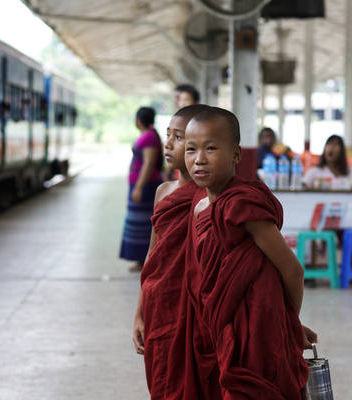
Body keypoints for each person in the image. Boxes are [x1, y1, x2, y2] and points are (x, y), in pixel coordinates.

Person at [181, 107, 314, 398]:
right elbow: (200, 277)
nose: (199, 159)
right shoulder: (199, 206)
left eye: (211, 148)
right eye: (191, 149)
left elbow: (292, 270)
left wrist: (289, 324)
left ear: (237, 155)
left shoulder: (243, 205)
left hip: (259, 330)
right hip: (217, 327)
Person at [132, 104, 210, 398]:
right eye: (168, 135)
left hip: (195, 312)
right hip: (159, 304)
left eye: (178, 138)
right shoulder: (163, 192)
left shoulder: (212, 198)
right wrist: (139, 312)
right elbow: (153, 258)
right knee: (163, 381)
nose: (168, 144)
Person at [120, 107, 164, 272]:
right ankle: (141, 260)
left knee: (143, 223)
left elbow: (148, 163)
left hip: (145, 185)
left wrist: (139, 187)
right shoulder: (149, 135)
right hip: (141, 184)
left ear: (138, 121)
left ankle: (145, 260)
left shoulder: (149, 137)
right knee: (139, 222)